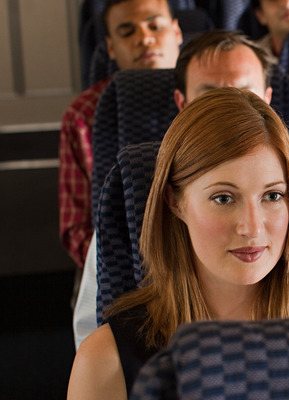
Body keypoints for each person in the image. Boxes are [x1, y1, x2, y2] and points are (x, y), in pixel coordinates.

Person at [67, 88, 289, 400]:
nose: (252, 227)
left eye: (272, 196)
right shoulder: (107, 364)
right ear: (175, 202)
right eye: (223, 198)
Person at [72, 30, 277, 349]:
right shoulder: (131, 196)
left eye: (244, 93)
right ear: (182, 103)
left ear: (266, 98)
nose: (229, 109)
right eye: (210, 97)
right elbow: (91, 333)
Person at [58, 0, 182, 275]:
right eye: (127, 32)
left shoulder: (207, 96)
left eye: (155, 26)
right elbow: (76, 228)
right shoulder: (84, 114)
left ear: (177, 32)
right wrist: (122, 269)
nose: (144, 39)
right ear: (111, 47)